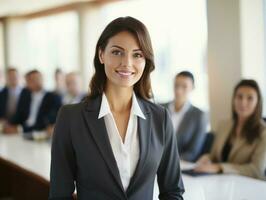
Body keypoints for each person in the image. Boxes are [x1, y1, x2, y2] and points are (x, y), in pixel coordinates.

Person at [49, 17, 184, 200]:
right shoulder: (71, 118)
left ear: (146, 61)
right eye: (117, 52)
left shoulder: (161, 118)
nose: (127, 63)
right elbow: (60, 194)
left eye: (137, 54)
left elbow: (172, 192)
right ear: (101, 55)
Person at [195, 79, 266, 180]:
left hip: (248, 186)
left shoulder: (263, 132)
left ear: (257, 102)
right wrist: (207, 158)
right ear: (233, 99)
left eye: (250, 98)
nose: (243, 102)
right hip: (220, 182)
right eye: (239, 97)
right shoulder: (224, 125)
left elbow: (256, 170)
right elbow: (214, 156)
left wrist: (220, 167)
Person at [162, 71, 208, 162]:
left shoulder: (199, 115)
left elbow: (193, 152)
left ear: (192, 88)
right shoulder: (160, 109)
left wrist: (169, 162)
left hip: (181, 164)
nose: (178, 91)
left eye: (184, 86)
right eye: (176, 85)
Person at [6, 70, 62, 135]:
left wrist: (20, 129)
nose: (35, 81)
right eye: (30, 80)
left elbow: (47, 121)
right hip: (22, 132)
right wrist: (9, 124)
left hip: (40, 133)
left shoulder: (53, 97)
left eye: (37, 78)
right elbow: (19, 114)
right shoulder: (25, 95)